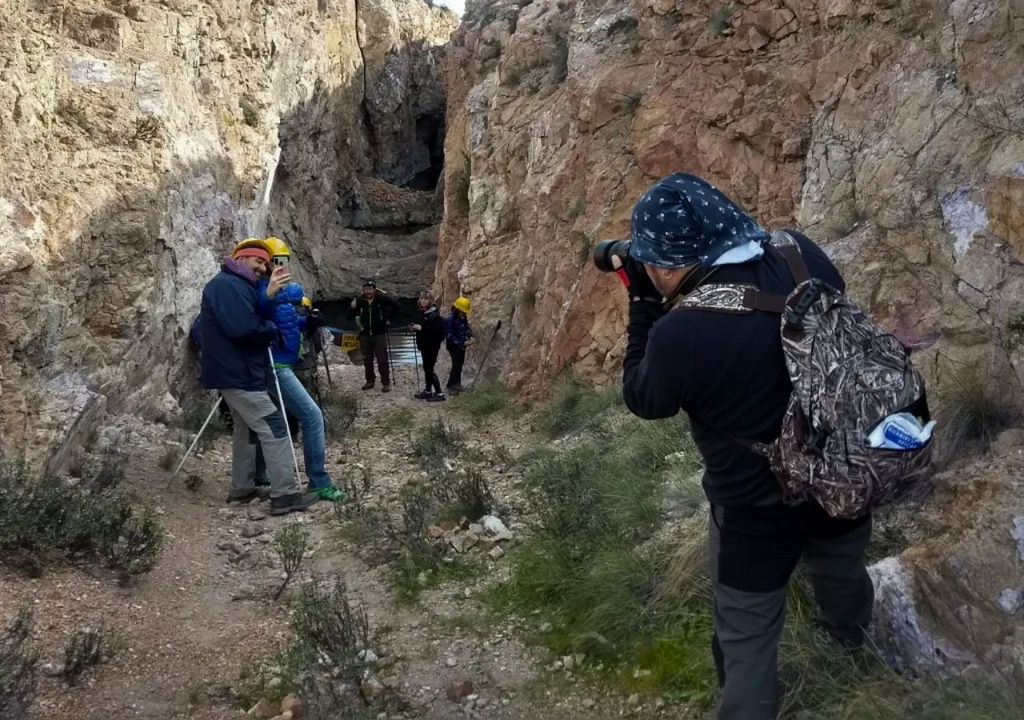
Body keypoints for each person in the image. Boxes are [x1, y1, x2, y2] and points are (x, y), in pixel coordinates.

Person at [620, 174, 873, 720]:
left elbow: (644, 399)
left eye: (650, 262)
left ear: (668, 267)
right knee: (842, 570)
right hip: (841, 473)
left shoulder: (681, 333)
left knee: (747, 634)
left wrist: (642, 304)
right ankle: (850, 647)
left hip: (755, 509)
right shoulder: (802, 254)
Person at [199, 239, 317, 515]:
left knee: (246, 429)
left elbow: (249, 316)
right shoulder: (227, 286)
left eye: (266, 263)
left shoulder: (236, 285)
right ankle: (285, 494)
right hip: (238, 373)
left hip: (235, 371)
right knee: (274, 425)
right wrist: (272, 329)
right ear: (241, 258)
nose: (264, 268)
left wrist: (269, 296)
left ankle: (242, 488)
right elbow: (243, 328)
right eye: (259, 261)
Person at [257, 237, 345, 503]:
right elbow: (261, 308)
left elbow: (287, 323)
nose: (281, 266)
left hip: (281, 362)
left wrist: (308, 322)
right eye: (277, 261)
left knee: (271, 419)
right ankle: (318, 481)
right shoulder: (264, 289)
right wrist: (285, 292)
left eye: (284, 261)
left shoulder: (278, 293)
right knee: (312, 416)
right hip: (276, 365)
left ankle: (259, 475)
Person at [350, 280, 399, 392]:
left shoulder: (382, 299)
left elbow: (397, 306)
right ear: (363, 290)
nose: (368, 291)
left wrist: (388, 319)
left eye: (370, 289)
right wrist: (352, 307)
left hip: (379, 334)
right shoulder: (359, 301)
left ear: (375, 289)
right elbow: (349, 317)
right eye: (366, 289)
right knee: (367, 359)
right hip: (364, 334)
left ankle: (386, 382)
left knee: (382, 359)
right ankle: (370, 380)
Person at [409, 290, 446, 401]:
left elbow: (436, 331)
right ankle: (428, 391)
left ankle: (440, 394)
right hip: (424, 345)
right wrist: (413, 328)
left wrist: (421, 328)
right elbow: (422, 326)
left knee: (429, 369)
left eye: (426, 299)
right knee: (426, 368)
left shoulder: (435, 314)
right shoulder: (423, 312)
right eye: (422, 298)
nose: (423, 301)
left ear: (431, 301)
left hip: (432, 346)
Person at [445, 296, 473, 395]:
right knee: (456, 365)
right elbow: (450, 336)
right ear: (458, 309)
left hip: (462, 346)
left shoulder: (463, 317)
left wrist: (470, 335)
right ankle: (451, 385)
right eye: (463, 311)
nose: (464, 313)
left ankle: (457, 383)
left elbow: (466, 327)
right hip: (453, 346)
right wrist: (462, 342)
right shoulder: (450, 319)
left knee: (460, 365)